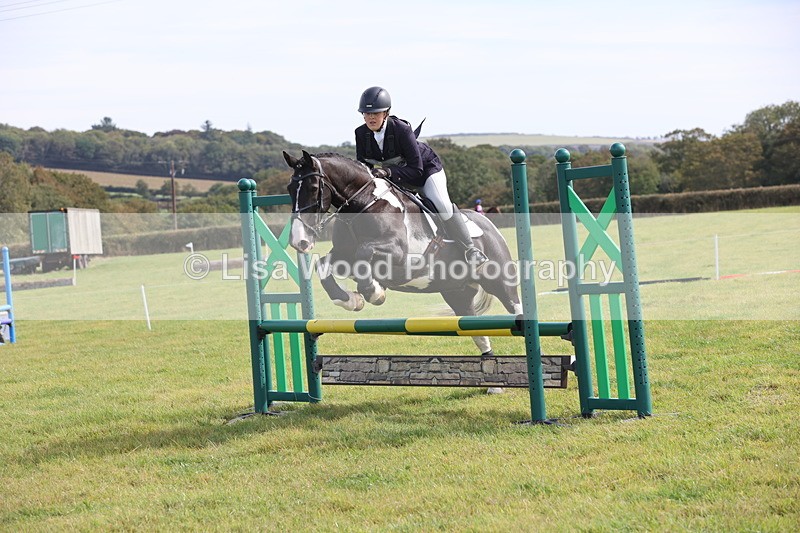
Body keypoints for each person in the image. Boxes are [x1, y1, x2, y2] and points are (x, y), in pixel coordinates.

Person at [354, 86, 487, 266]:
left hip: (425, 171)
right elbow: (364, 167)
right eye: (366, 113)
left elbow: (416, 169)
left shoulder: (401, 130)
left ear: (386, 113)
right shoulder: (361, 134)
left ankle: (471, 250)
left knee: (441, 203)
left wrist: (387, 171)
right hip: (396, 177)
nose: (370, 117)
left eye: (375, 113)